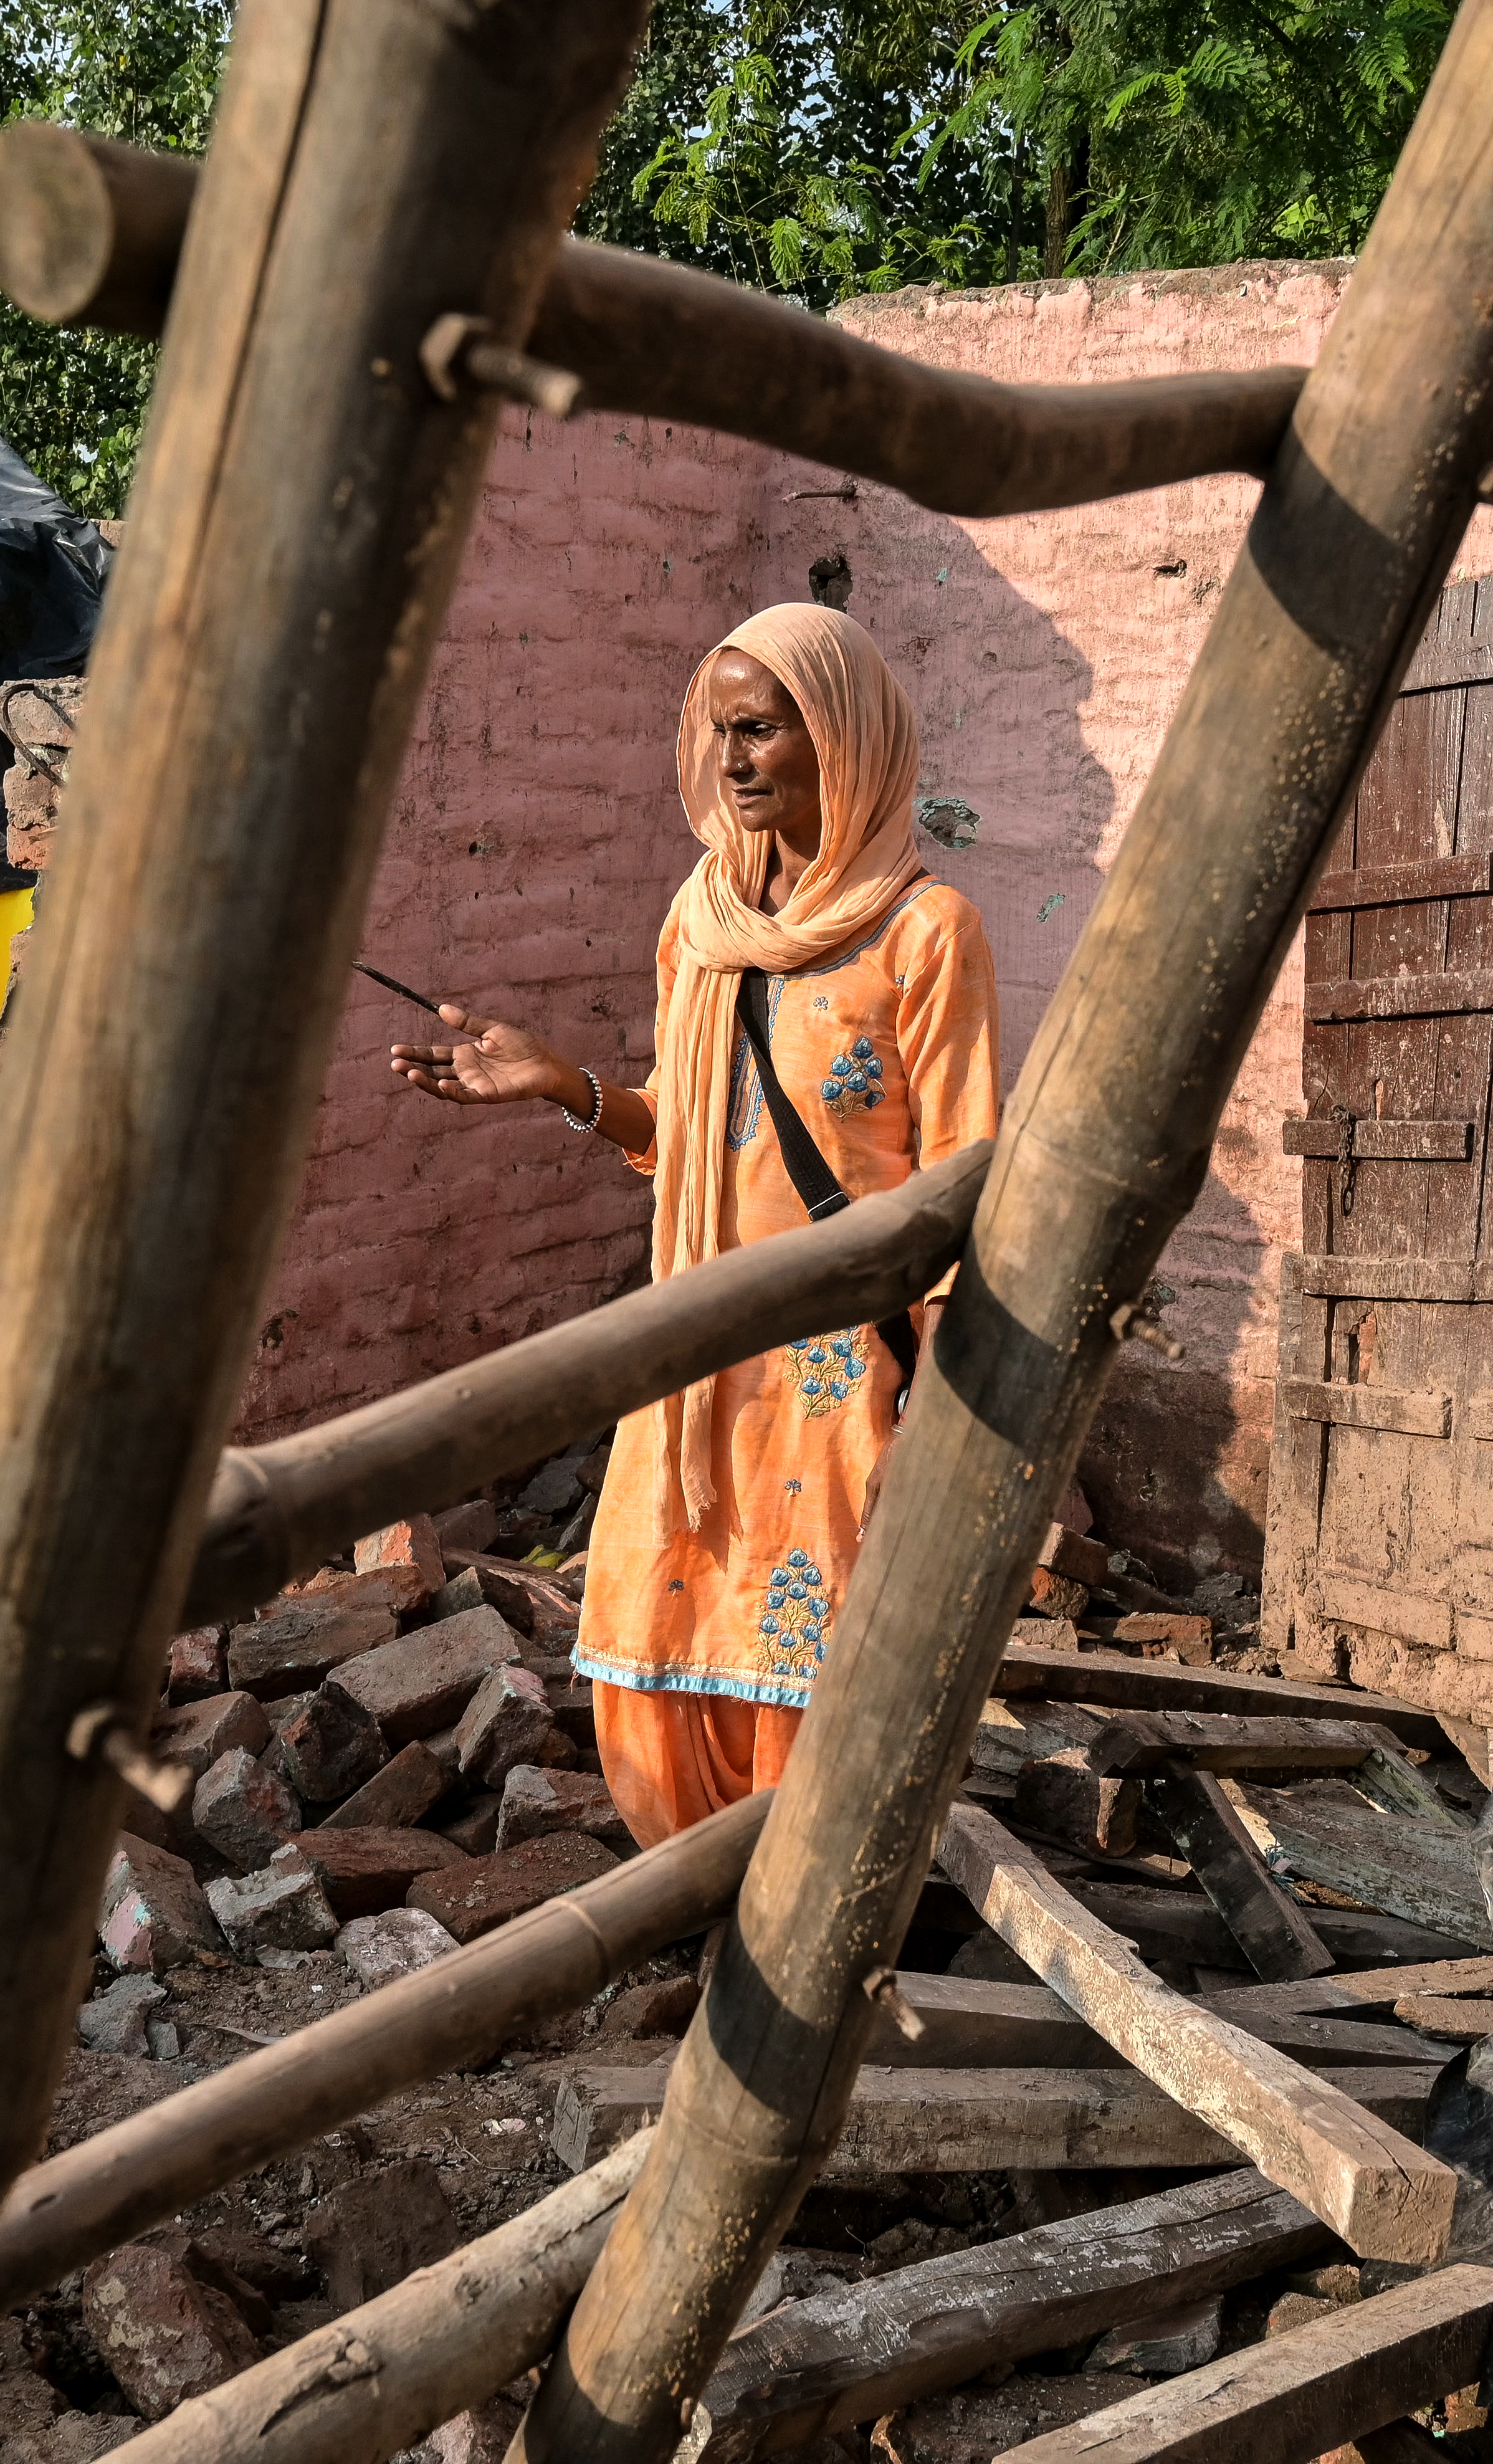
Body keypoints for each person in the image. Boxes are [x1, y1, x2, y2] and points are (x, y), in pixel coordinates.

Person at [388, 604, 1001, 1843]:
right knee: (655, 1637)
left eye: (760, 728)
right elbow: (684, 1130)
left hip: (838, 1367)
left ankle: (802, 1898)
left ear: (840, 735)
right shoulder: (701, 922)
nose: (731, 759)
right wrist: (563, 1086)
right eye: (719, 730)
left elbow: (964, 1174)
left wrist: (937, 1399)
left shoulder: (925, 934)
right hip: (696, 1348)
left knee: (819, 1656)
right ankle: (693, 1890)